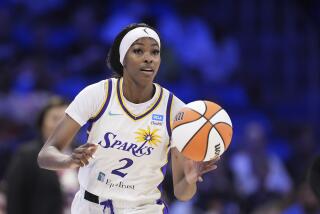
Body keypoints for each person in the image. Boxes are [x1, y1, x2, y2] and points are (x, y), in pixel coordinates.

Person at [37, 23, 219, 214]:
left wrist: (189, 180)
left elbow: (182, 193)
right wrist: (69, 161)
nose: (148, 58)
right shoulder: (98, 94)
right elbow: (45, 155)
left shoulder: (176, 111)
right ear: (123, 58)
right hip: (89, 206)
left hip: (142, 209)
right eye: (138, 51)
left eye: (155, 52)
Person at [5, 96, 69, 214]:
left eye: (66, 120)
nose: (61, 125)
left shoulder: (81, 151)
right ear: (42, 123)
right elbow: (14, 199)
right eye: (55, 119)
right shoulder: (27, 155)